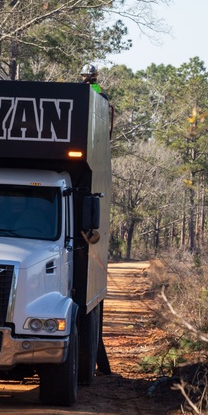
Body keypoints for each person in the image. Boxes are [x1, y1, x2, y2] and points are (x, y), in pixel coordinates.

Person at [80, 64, 113, 376]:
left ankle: (97, 361)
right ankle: (100, 363)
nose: (87, 81)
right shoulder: (93, 96)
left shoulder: (94, 96)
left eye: (87, 78)